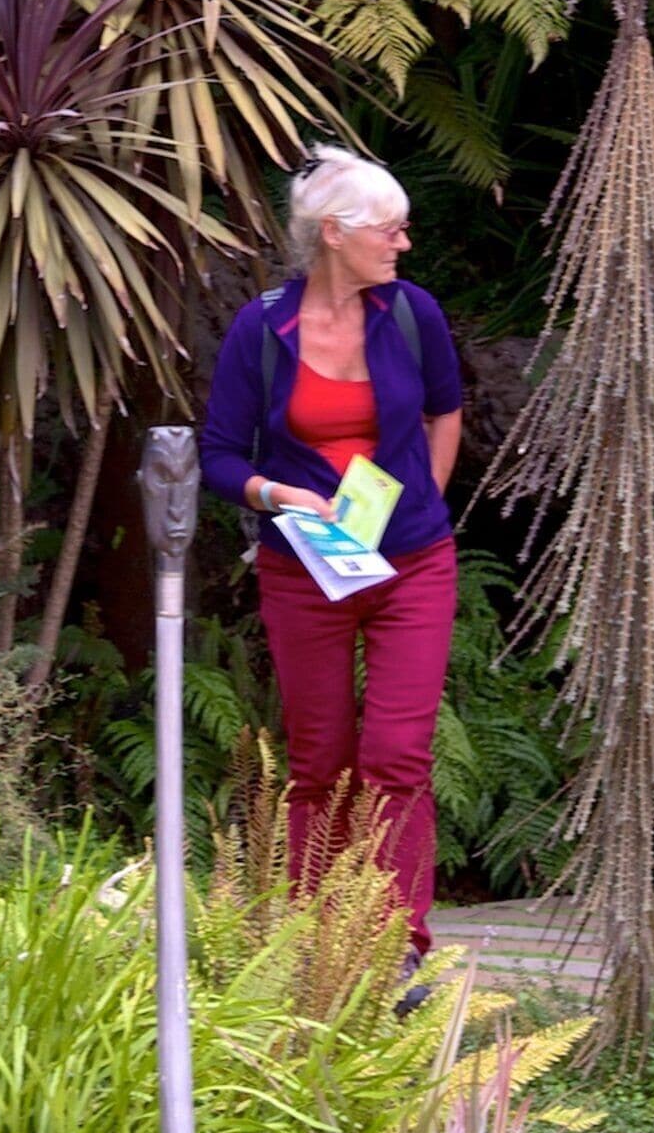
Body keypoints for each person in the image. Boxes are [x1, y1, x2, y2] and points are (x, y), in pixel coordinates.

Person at [196, 144, 466, 959]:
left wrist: (422, 505)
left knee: (396, 757)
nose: (403, 244)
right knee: (318, 764)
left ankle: (394, 947)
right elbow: (219, 456)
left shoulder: (413, 314)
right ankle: (317, 943)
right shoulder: (263, 329)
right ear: (337, 233)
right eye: (390, 230)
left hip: (414, 564)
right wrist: (277, 496)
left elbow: (444, 414)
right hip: (304, 569)